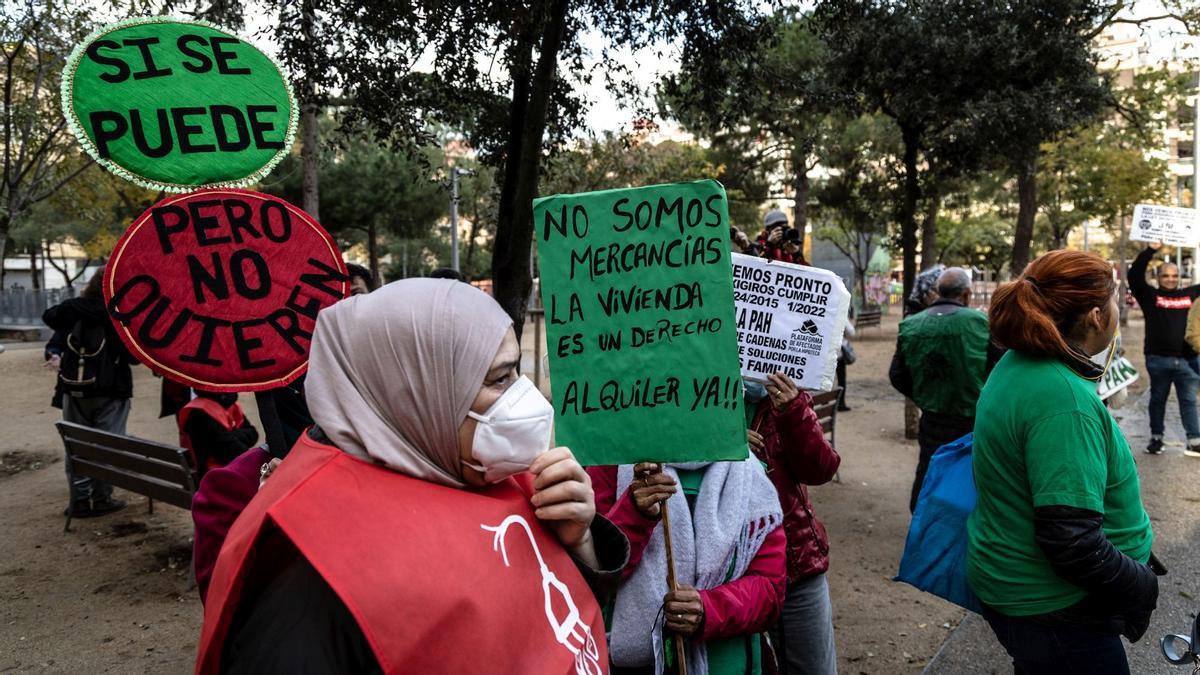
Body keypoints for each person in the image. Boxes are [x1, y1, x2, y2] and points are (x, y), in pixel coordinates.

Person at [195, 279, 628, 673]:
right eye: (500, 378)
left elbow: (555, 624)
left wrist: (581, 545)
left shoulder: (488, 476)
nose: (524, 397)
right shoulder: (318, 582)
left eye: (517, 372)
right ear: (416, 394)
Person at [968, 250, 1161, 675]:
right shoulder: (1062, 400)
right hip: (1054, 607)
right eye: (1114, 299)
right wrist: (1141, 584)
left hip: (1026, 593)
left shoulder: (1023, 361)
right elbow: (1071, 541)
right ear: (1096, 316)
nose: (1115, 309)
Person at [591, 456, 785, 675]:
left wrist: (709, 610)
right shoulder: (610, 462)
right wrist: (634, 513)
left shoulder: (748, 470)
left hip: (729, 663)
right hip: (637, 664)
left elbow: (770, 588)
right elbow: (593, 575)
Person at [745, 373, 841, 675]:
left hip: (795, 564)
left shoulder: (782, 395)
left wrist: (794, 411)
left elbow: (821, 469)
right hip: (724, 578)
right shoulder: (696, 400)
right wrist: (720, 441)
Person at [890, 267, 996, 513]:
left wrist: (924, 395)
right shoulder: (980, 324)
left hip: (932, 419)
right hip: (972, 423)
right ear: (968, 294)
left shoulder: (911, 325)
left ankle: (923, 525)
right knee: (971, 480)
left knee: (928, 473)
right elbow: (999, 367)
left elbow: (897, 375)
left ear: (938, 291)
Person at [42, 269, 133, 518]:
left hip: (74, 389)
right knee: (108, 446)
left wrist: (54, 352)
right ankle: (101, 498)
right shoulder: (118, 316)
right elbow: (132, 357)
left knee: (77, 444)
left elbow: (51, 321)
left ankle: (80, 501)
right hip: (110, 390)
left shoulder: (74, 309)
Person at [1128, 242, 1200, 455]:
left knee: (1188, 400)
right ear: (1158, 278)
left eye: (1174, 275)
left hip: (1188, 360)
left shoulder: (1190, 294)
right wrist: (1150, 250)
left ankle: (1194, 440)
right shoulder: (1150, 296)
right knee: (1157, 398)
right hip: (1158, 360)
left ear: (1179, 277)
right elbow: (1134, 277)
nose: (1170, 279)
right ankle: (1156, 438)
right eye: (1165, 275)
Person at [178, 390, 259, 478]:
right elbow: (233, 452)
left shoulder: (229, 405)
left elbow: (253, 434)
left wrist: (230, 435)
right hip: (212, 479)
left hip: (229, 471)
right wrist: (235, 436)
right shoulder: (200, 412)